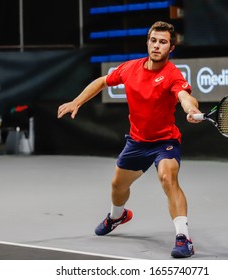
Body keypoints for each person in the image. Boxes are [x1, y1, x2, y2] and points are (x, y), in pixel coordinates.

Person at [57, 21, 202, 258]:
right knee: (117, 186)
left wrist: (189, 109)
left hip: (164, 142)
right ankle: (117, 216)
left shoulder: (172, 75)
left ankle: (183, 238)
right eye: (153, 40)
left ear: (171, 48)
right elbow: (103, 81)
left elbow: (185, 97)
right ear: (147, 42)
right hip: (136, 142)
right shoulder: (130, 69)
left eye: (163, 42)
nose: (157, 46)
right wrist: (77, 101)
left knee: (168, 178)